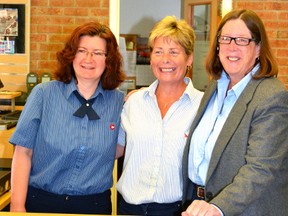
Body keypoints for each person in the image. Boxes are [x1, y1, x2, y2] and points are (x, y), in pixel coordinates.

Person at [9, 21, 126, 214]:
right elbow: (23, 153)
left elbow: (118, 150)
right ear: (71, 55)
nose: (89, 59)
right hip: (40, 202)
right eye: (82, 51)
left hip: (94, 206)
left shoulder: (119, 102)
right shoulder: (43, 94)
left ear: (109, 60)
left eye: (97, 53)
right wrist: (17, 207)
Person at [182, 9, 288, 216]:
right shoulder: (215, 87)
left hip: (244, 210)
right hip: (199, 204)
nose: (232, 47)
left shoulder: (272, 96)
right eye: (226, 38)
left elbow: (260, 168)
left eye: (242, 40)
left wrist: (217, 207)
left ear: (258, 48)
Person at [116, 16, 204, 216]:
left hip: (178, 210)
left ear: (189, 58)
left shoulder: (203, 107)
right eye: (158, 52)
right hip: (129, 209)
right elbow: (115, 150)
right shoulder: (133, 103)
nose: (165, 60)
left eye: (174, 52)